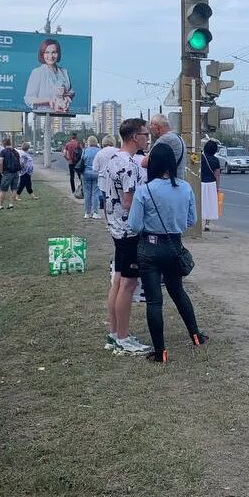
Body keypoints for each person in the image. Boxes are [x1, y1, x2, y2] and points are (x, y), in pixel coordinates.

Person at [128, 143, 207, 363]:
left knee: (154, 301)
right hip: (174, 245)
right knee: (178, 291)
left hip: (150, 248)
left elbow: (134, 225)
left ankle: (160, 351)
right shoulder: (185, 188)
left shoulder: (145, 190)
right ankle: (196, 335)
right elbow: (191, 221)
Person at [100, 118, 151, 355]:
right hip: (129, 230)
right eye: (145, 134)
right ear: (134, 137)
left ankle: (115, 332)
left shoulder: (112, 159)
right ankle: (123, 337)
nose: (147, 138)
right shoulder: (129, 165)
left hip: (115, 228)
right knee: (128, 284)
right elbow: (130, 203)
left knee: (118, 281)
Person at [24, 38, 73, 113]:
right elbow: (29, 99)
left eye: (54, 52)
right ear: (42, 54)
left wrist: (67, 98)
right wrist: (49, 100)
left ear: (58, 53)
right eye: (47, 52)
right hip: (43, 117)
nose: (50, 56)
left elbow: (70, 91)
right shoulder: (37, 72)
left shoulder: (64, 72)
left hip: (63, 115)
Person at [143, 114, 185, 178]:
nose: (150, 129)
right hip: (178, 181)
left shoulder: (165, 139)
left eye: (151, 125)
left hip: (168, 184)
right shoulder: (178, 137)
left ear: (158, 127)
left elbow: (145, 163)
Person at [200, 139, 221, 232]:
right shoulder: (216, 160)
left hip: (201, 183)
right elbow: (217, 175)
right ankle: (207, 224)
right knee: (210, 203)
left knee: (201, 203)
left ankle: (200, 222)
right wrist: (217, 187)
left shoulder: (200, 157)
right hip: (211, 184)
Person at [0, 136, 23, 211]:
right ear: (10, 143)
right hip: (16, 173)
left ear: (4, 144)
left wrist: (1, 171)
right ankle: (11, 204)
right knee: (14, 189)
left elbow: (0, 162)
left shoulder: (3, 151)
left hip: (7, 172)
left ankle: (0, 206)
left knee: (3, 189)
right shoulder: (16, 151)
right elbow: (19, 162)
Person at [80, 136, 101, 219]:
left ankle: (87, 213)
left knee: (87, 193)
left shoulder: (85, 150)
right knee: (95, 193)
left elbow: (82, 161)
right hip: (96, 174)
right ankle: (95, 212)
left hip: (85, 174)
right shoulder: (99, 151)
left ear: (88, 142)